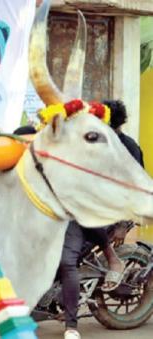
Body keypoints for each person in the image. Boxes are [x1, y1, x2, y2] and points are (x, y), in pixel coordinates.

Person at [58, 100, 144, 339]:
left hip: (107, 215)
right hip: (78, 211)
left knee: (68, 262)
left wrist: (123, 225)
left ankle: (71, 326)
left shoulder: (129, 149)